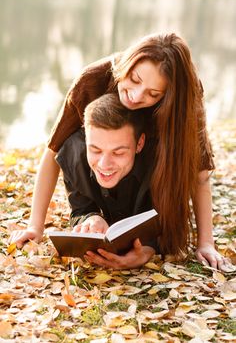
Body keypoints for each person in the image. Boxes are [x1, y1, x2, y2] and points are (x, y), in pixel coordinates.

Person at [9, 33, 227, 269]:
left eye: (153, 94)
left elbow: (199, 173)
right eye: (134, 79)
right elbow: (53, 152)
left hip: (152, 184)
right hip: (104, 181)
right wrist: (35, 225)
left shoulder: (186, 97)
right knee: (74, 144)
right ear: (128, 64)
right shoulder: (93, 79)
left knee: (170, 154)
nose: (135, 96)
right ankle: (91, 216)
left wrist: (205, 243)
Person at [56, 93, 156, 269]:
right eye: (95, 150)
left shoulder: (159, 165)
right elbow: (80, 209)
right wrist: (91, 217)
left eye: (118, 153)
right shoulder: (73, 156)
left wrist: (147, 252)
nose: (104, 164)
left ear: (139, 144)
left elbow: (172, 222)